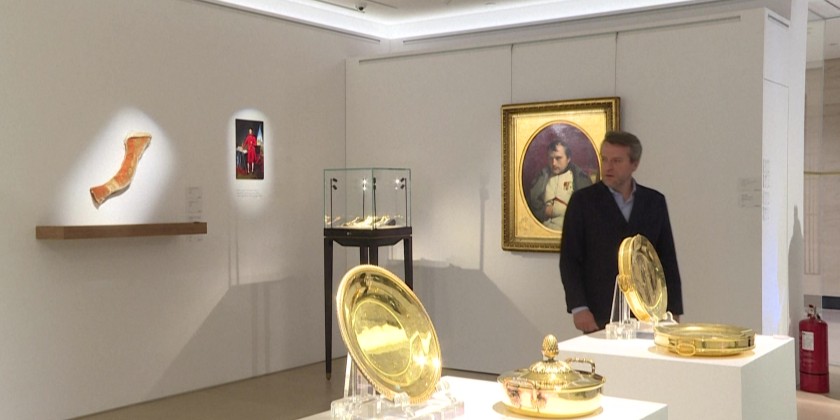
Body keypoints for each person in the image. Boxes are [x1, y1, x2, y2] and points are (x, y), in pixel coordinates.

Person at [559, 131, 683, 333]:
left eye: (616, 161)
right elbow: (570, 260)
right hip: (599, 311)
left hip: (647, 312)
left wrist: (673, 309)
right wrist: (579, 308)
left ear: (634, 164)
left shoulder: (654, 202)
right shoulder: (583, 202)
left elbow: (667, 259)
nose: (608, 167)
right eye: (604, 159)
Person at [527, 139, 593, 230]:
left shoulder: (580, 178)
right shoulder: (542, 177)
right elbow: (531, 203)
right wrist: (545, 211)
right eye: (550, 158)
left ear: (568, 158)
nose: (553, 163)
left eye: (558, 158)